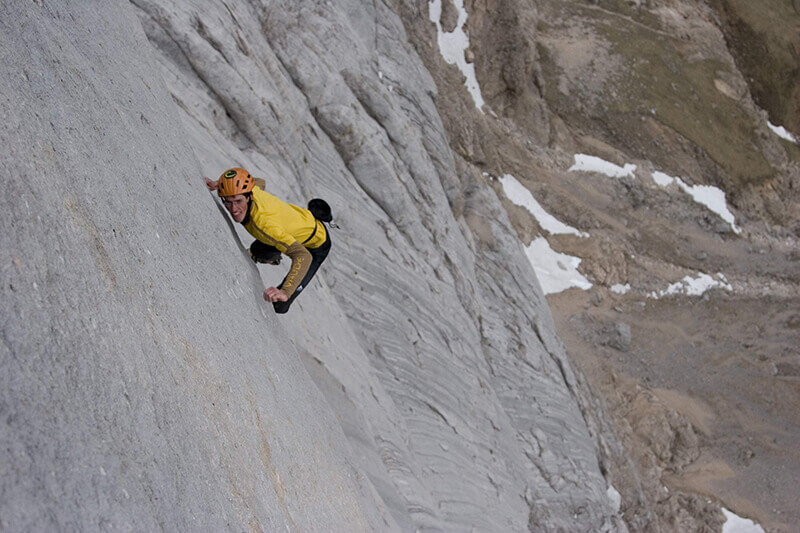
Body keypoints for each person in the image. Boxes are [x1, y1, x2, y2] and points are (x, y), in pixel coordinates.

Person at [204, 167, 331, 314]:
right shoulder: (252, 190)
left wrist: (285, 291)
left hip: (317, 245)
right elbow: (260, 182)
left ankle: (271, 256)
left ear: (249, 197)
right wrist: (222, 185)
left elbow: (303, 256)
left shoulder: (264, 225)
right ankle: (269, 254)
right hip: (294, 225)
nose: (233, 209)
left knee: (280, 303)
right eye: (228, 202)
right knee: (260, 248)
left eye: (238, 201)